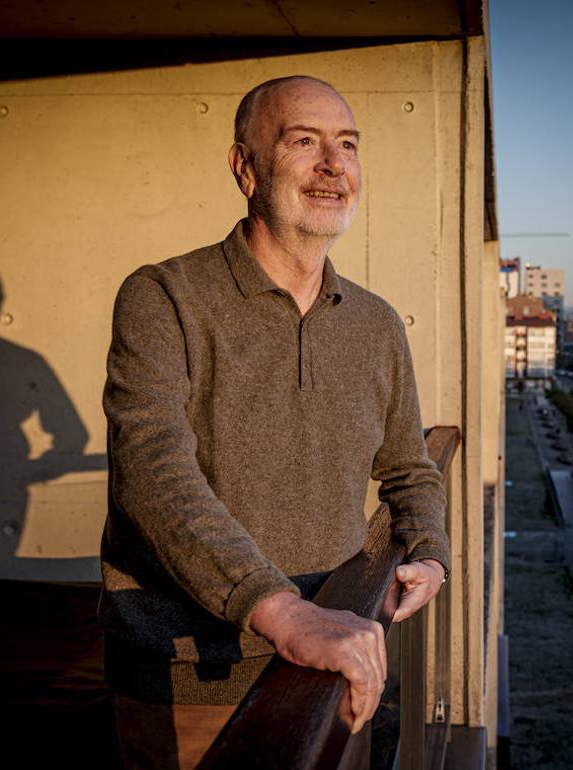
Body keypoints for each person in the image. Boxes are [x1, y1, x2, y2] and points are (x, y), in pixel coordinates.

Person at [99, 75, 450, 768]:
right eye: (304, 141)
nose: (333, 165)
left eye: (347, 144)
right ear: (244, 167)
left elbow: (410, 465)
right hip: (194, 671)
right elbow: (151, 469)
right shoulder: (163, 296)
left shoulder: (377, 324)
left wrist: (431, 549)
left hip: (339, 643)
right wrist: (284, 612)